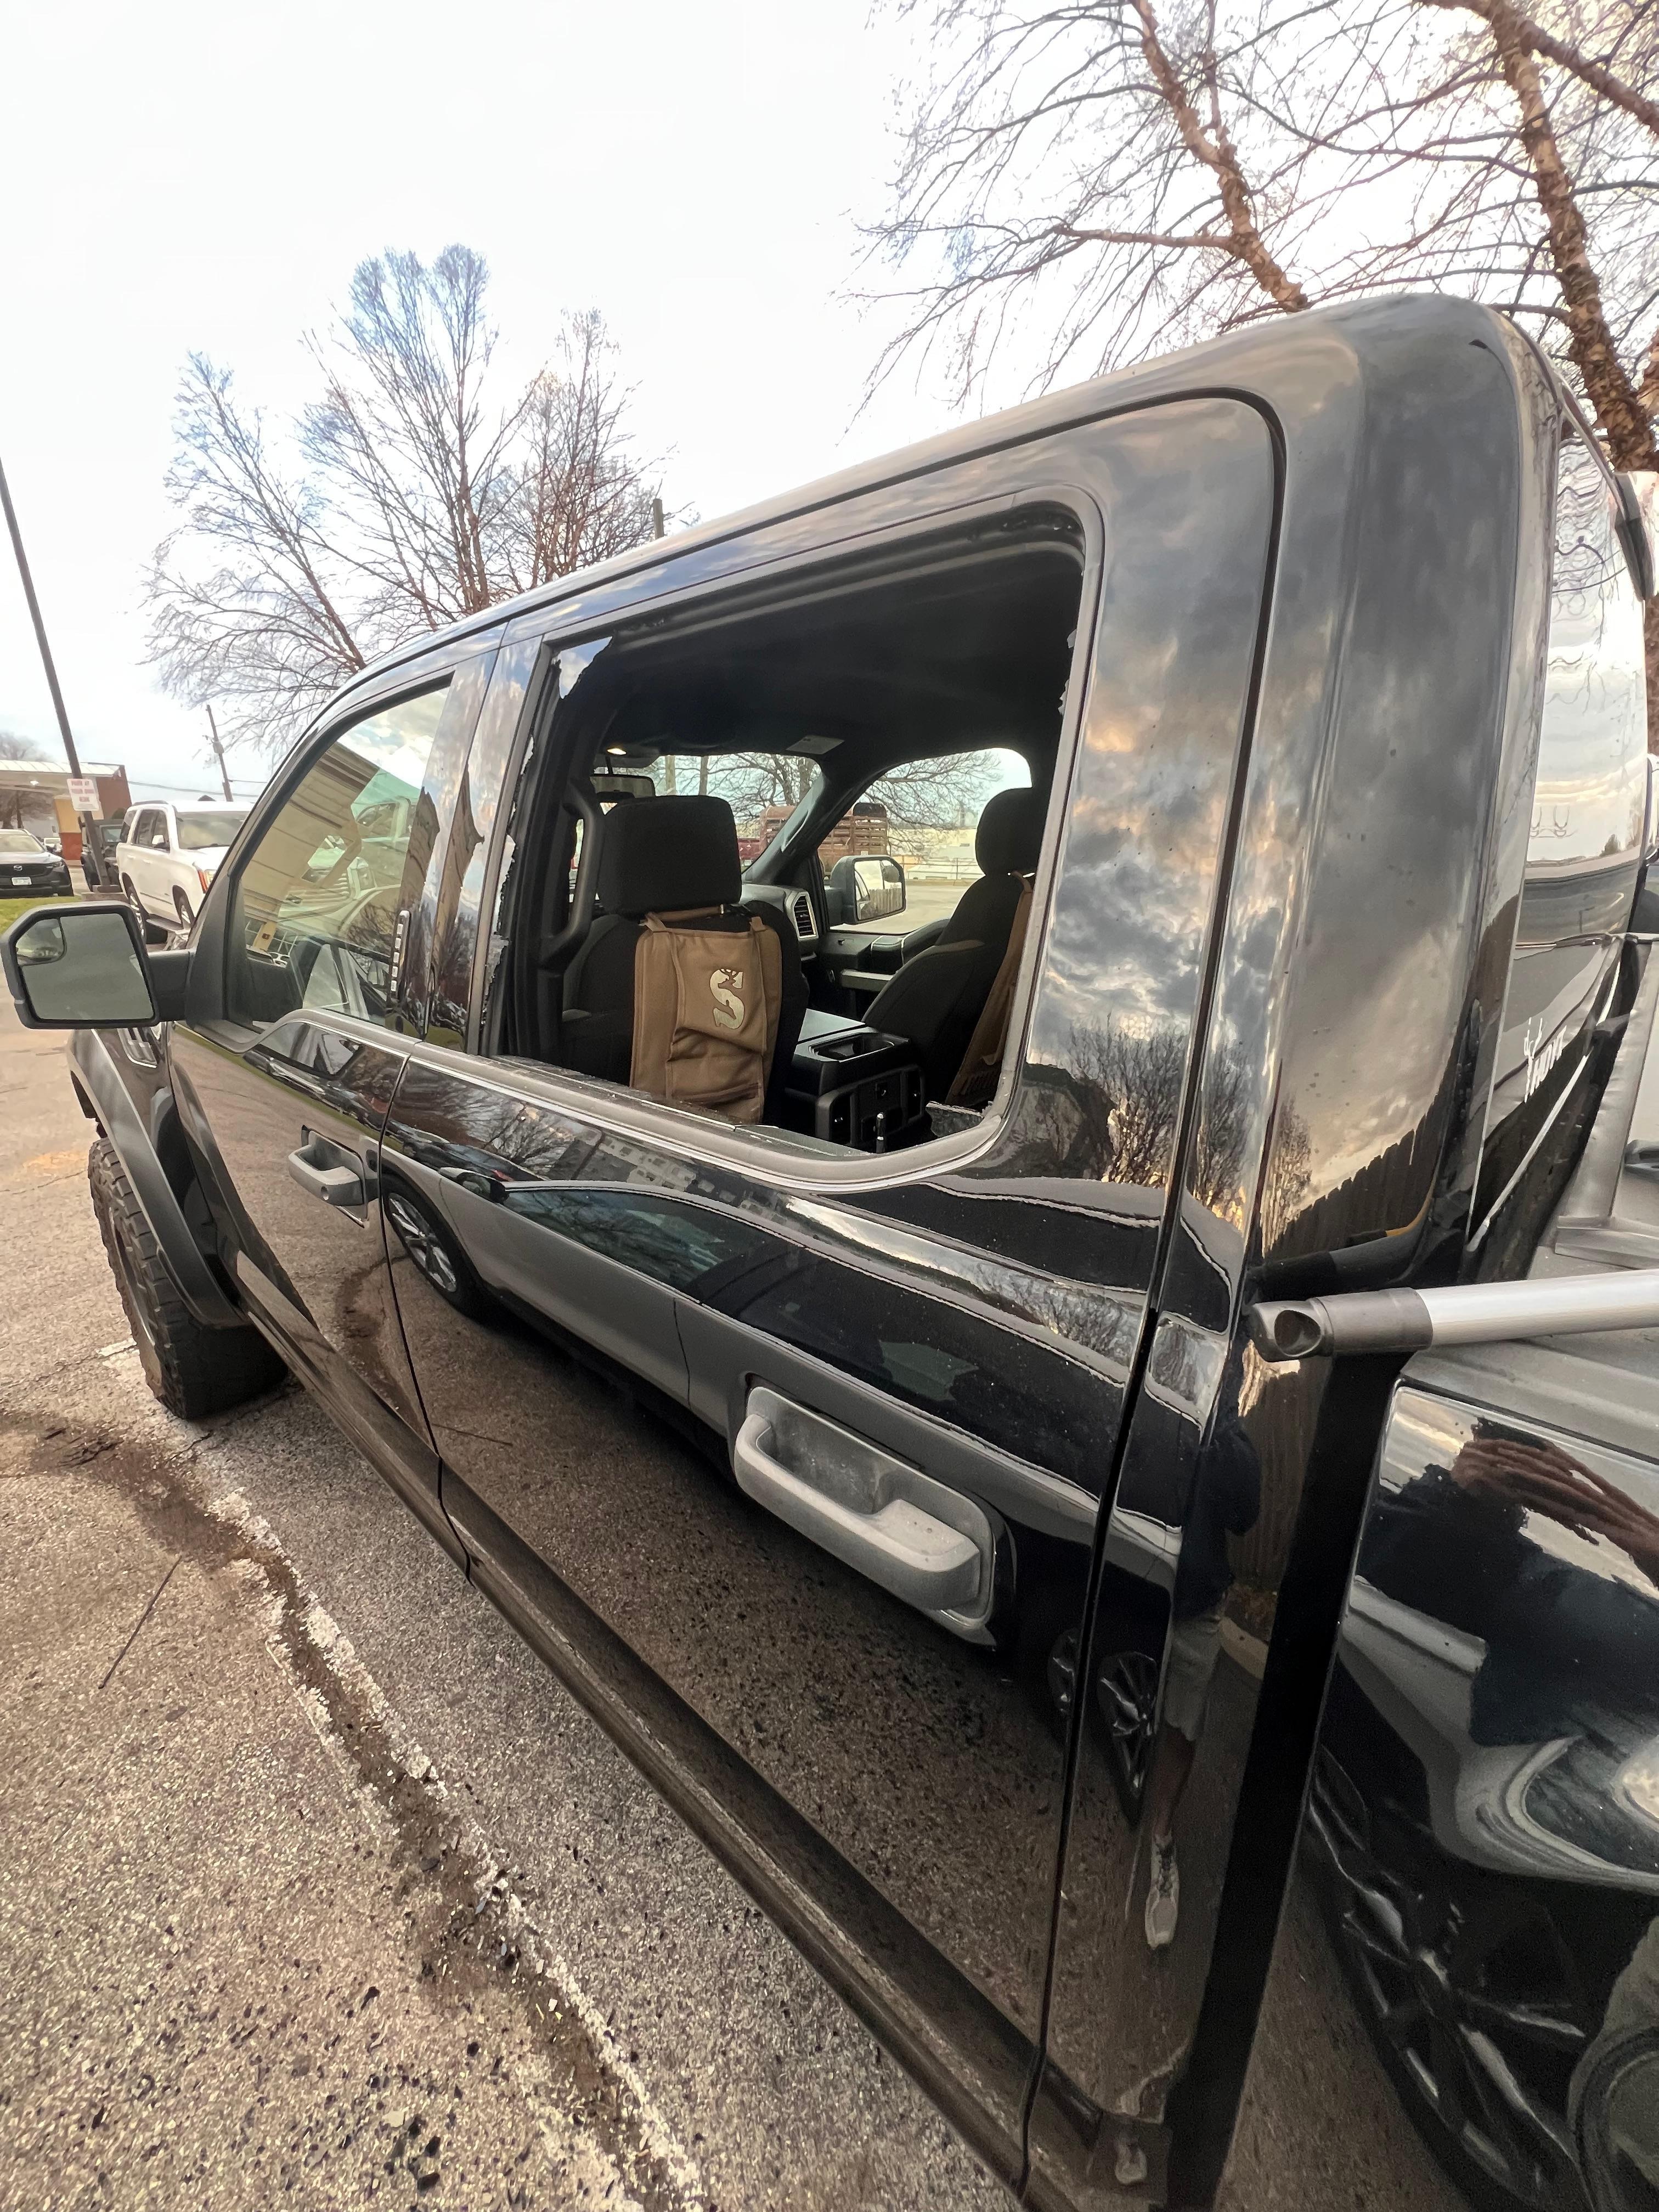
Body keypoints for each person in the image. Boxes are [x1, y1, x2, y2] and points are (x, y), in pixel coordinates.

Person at [1144, 1409, 1261, 1949]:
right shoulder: (1152, 1396)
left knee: (1183, 1726)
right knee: (1122, 1681)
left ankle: (1162, 1835)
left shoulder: (1230, 1438)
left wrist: (1219, 1436)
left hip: (1196, 1605)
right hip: (1134, 1578)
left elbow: (1245, 1516)